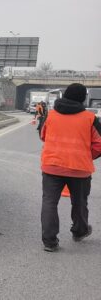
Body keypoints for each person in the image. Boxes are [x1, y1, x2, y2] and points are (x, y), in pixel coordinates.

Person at [39, 83, 99, 252]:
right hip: (79, 169)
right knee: (79, 201)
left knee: (49, 202)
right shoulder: (90, 118)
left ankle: (50, 242)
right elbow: (99, 144)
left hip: (52, 166)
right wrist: (87, 155)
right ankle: (79, 231)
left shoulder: (51, 115)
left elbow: (43, 135)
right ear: (82, 98)